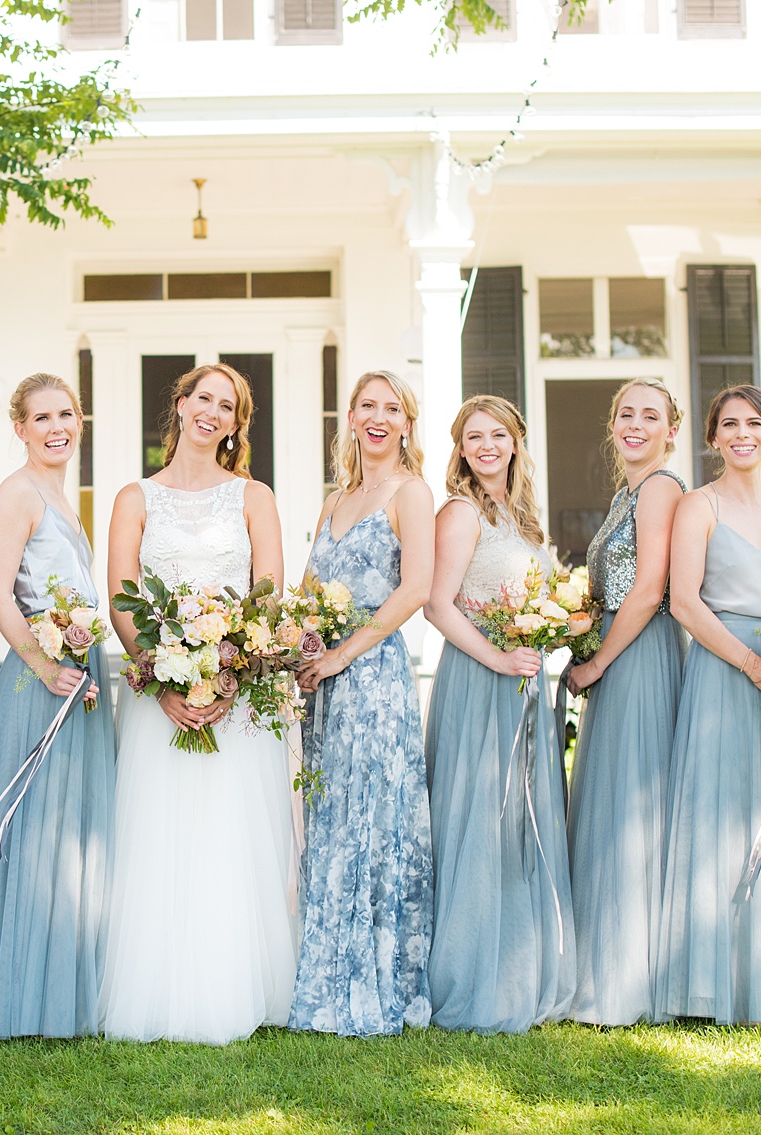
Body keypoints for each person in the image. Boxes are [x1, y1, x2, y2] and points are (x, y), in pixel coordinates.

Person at [99, 362, 298, 1045]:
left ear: (237, 425)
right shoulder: (135, 497)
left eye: (228, 406)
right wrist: (160, 679)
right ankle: (159, 989)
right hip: (163, 700)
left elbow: (267, 591)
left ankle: (236, 986)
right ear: (179, 406)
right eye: (203, 398)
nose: (212, 412)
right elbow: (122, 598)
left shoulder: (252, 495)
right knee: (160, 836)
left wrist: (230, 671)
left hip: (234, 697)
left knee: (230, 836)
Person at [655, 385, 761, 1026]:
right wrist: (752, 664)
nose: (742, 434)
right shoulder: (699, 506)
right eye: (729, 424)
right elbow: (685, 603)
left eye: (754, 424)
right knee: (720, 818)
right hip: (725, 671)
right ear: (712, 437)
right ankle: (715, 985)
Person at [422, 394, 575, 1034]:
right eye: (473, 437)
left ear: (516, 442)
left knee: (522, 822)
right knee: (482, 820)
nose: (487, 445)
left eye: (498, 434)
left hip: (524, 682)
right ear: (461, 450)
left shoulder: (525, 519)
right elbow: (437, 604)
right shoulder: (459, 513)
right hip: (481, 680)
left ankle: (521, 966)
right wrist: (497, 657)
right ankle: (471, 976)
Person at [290, 370, 436, 1037]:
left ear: (407, 422)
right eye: (367, 406)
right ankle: (322, 969)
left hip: (374, 676)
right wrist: (303, 645)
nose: (378, 418)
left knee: (375, 819)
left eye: (392, 408)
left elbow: (415, 591)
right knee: (331, 816)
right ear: (349, 417)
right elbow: (307, 589)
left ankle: (379, 976)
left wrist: (345, 653)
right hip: (324, 680)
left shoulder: (411, 492)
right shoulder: (335, 498)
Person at [0, 372, 117, 1039]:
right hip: (40, 679)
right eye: (42, 417)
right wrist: (43, 662)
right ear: (20, 427)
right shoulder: (16, 493)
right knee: (35, 834)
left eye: (67, 414)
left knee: (71, 835)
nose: (57, 426)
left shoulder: (59, 492)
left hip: (78, 671)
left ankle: (63, 989)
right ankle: (24, 1001)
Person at [562, 379, 688, 1026]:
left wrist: (601, 660)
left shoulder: (663, 487)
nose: (636, 424)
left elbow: (649, 587)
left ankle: (629, 979)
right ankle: (606, 963)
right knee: (612, 804)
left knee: (632, 808)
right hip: (613, 644)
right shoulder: (625, 493)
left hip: (638, 651)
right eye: (626, 414)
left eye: (651, 415)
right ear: (612, 424)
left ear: (672, 428)